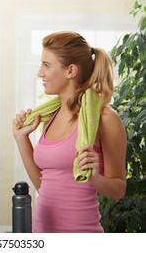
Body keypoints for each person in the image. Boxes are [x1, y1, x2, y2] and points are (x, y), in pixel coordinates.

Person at [12, 30, 126, 233]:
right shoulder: (50, 116)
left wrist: (96, 179)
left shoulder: (105, 118)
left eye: (46, 65)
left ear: (70, 71)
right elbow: (43, 185)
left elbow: (119, 190)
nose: (40, 73)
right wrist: (21, 139)